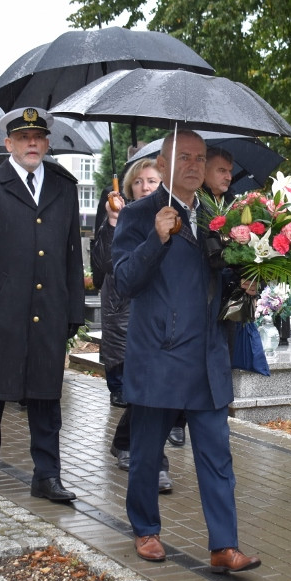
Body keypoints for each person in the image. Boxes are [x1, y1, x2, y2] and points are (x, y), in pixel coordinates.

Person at [111, 129, 260, 572]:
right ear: (163, 160)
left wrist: (249, 281)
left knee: (216, 453)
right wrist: (154, 239)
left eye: (200, 159)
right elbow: (122, 281)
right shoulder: (140, 214)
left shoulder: (219, 214)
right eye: (185, 157)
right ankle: (145, 529)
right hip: (160, 352)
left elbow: (221, 279)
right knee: (146, 450)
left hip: (208, 354)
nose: (195, 166)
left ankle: (224, 545)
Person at [0, 107, 85, 503]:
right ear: (8, 143)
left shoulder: (64, 186)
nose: (32, 143)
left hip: (48, 310)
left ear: (47, 142)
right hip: (0, 311)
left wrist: (74, 311)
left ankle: (47, 475)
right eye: (23, 137)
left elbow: (71, 254)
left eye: (38, 136)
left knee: (47, 394)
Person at [94, 157, 175, 492]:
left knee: (153, 392)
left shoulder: (173, 215)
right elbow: (102, 267)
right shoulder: (120, 215)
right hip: (124, 315)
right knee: (140, 393)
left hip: (161, 318)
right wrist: (112, 225)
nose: (145, 186)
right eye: (139, 181)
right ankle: (153, 461)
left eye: (153, 181)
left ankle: (129, 443)